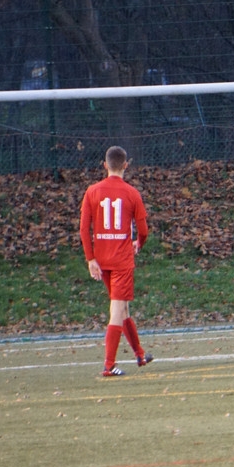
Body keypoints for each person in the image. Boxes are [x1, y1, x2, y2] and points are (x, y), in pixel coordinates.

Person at [80, 145, 152, 376]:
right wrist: (138, 243)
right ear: (126, 166)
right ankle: (109, 365)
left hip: (102, 259)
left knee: (123, 308)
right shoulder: (132, 193)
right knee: (117, 310)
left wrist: (91, 258)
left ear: (105, 165)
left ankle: (139, 354)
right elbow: (143, 230)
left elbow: (84, 229)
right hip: (121, 260)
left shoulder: (92, 191)